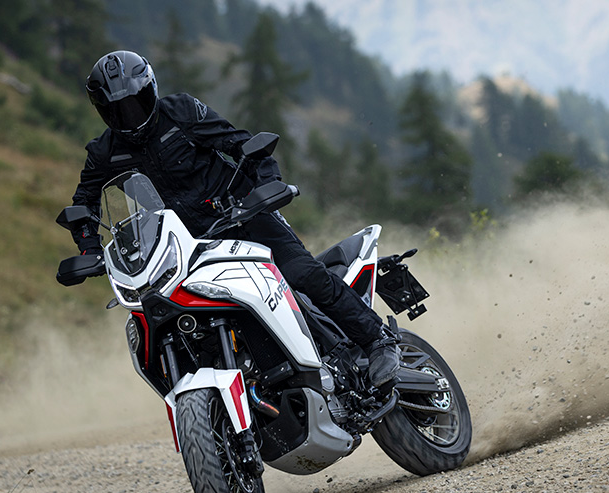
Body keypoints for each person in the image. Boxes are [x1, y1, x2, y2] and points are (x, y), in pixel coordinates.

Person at [66, 50, 399, 386]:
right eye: (116, 110)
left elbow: (242, 145)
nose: (128, 116)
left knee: (301, 273)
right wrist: (90, 249)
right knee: (171, 316)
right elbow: (84, 206)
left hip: (242, 217)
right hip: (185, 247)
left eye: (134, 104)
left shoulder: (181, 111)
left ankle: (377, 340)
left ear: (150, 90)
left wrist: (267, 186)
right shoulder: (103, 153)